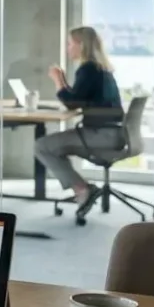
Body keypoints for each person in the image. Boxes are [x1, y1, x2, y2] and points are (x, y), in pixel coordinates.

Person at [34, 26, 124, 218]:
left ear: (81, 45)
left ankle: (82, 189)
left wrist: (58, 81)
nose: (67, 49)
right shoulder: (99, 68)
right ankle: (82, 187)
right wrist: (64, 82)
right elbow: (78, 98)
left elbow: (72, 103)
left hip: (101, 135)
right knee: (53, 147)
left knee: (42, 146)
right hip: (113, 132)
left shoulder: (88, 69)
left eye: (70, 44)